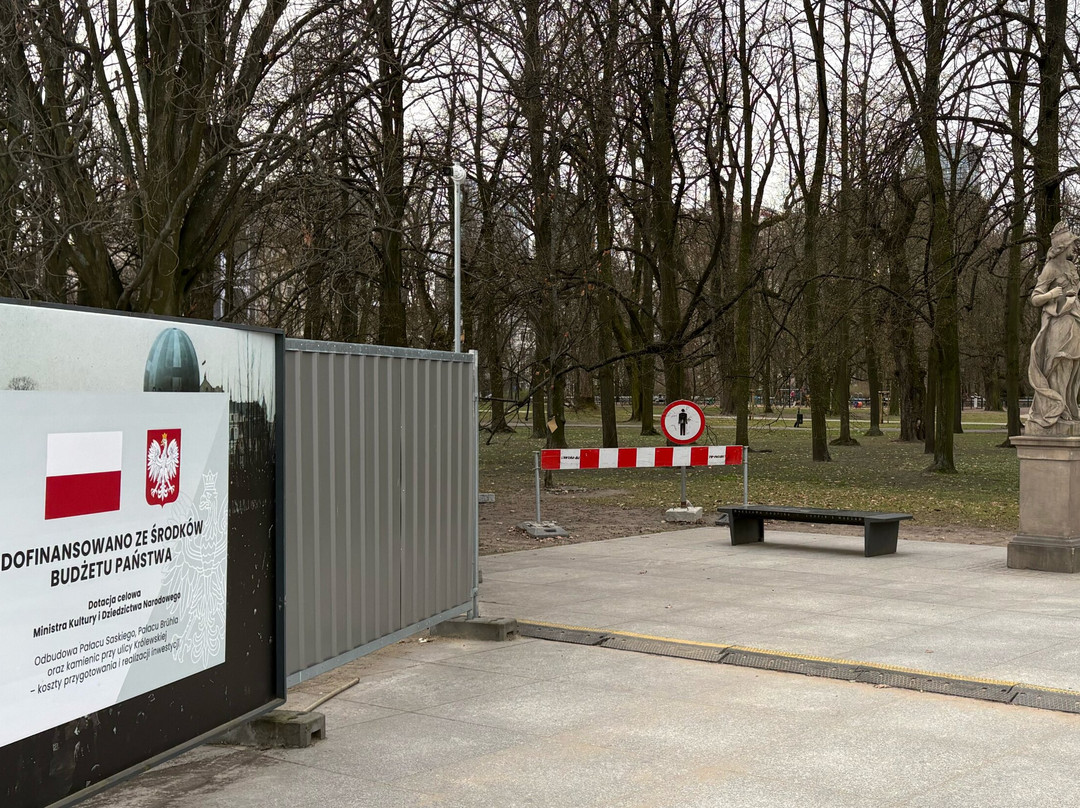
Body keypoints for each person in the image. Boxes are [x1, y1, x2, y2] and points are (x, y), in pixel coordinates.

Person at [1028, 221, 1080, 429]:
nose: (1075, 247)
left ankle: (1068, 407)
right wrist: (1051, 294)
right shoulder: (1050, 268)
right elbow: (1035, 298)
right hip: (1058, 323)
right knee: (1059, 364)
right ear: (1063, 246)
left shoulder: (1071, 266)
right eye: (1072, 244)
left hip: (1074, 319)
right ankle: (1057, 410)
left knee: (1073, 367)